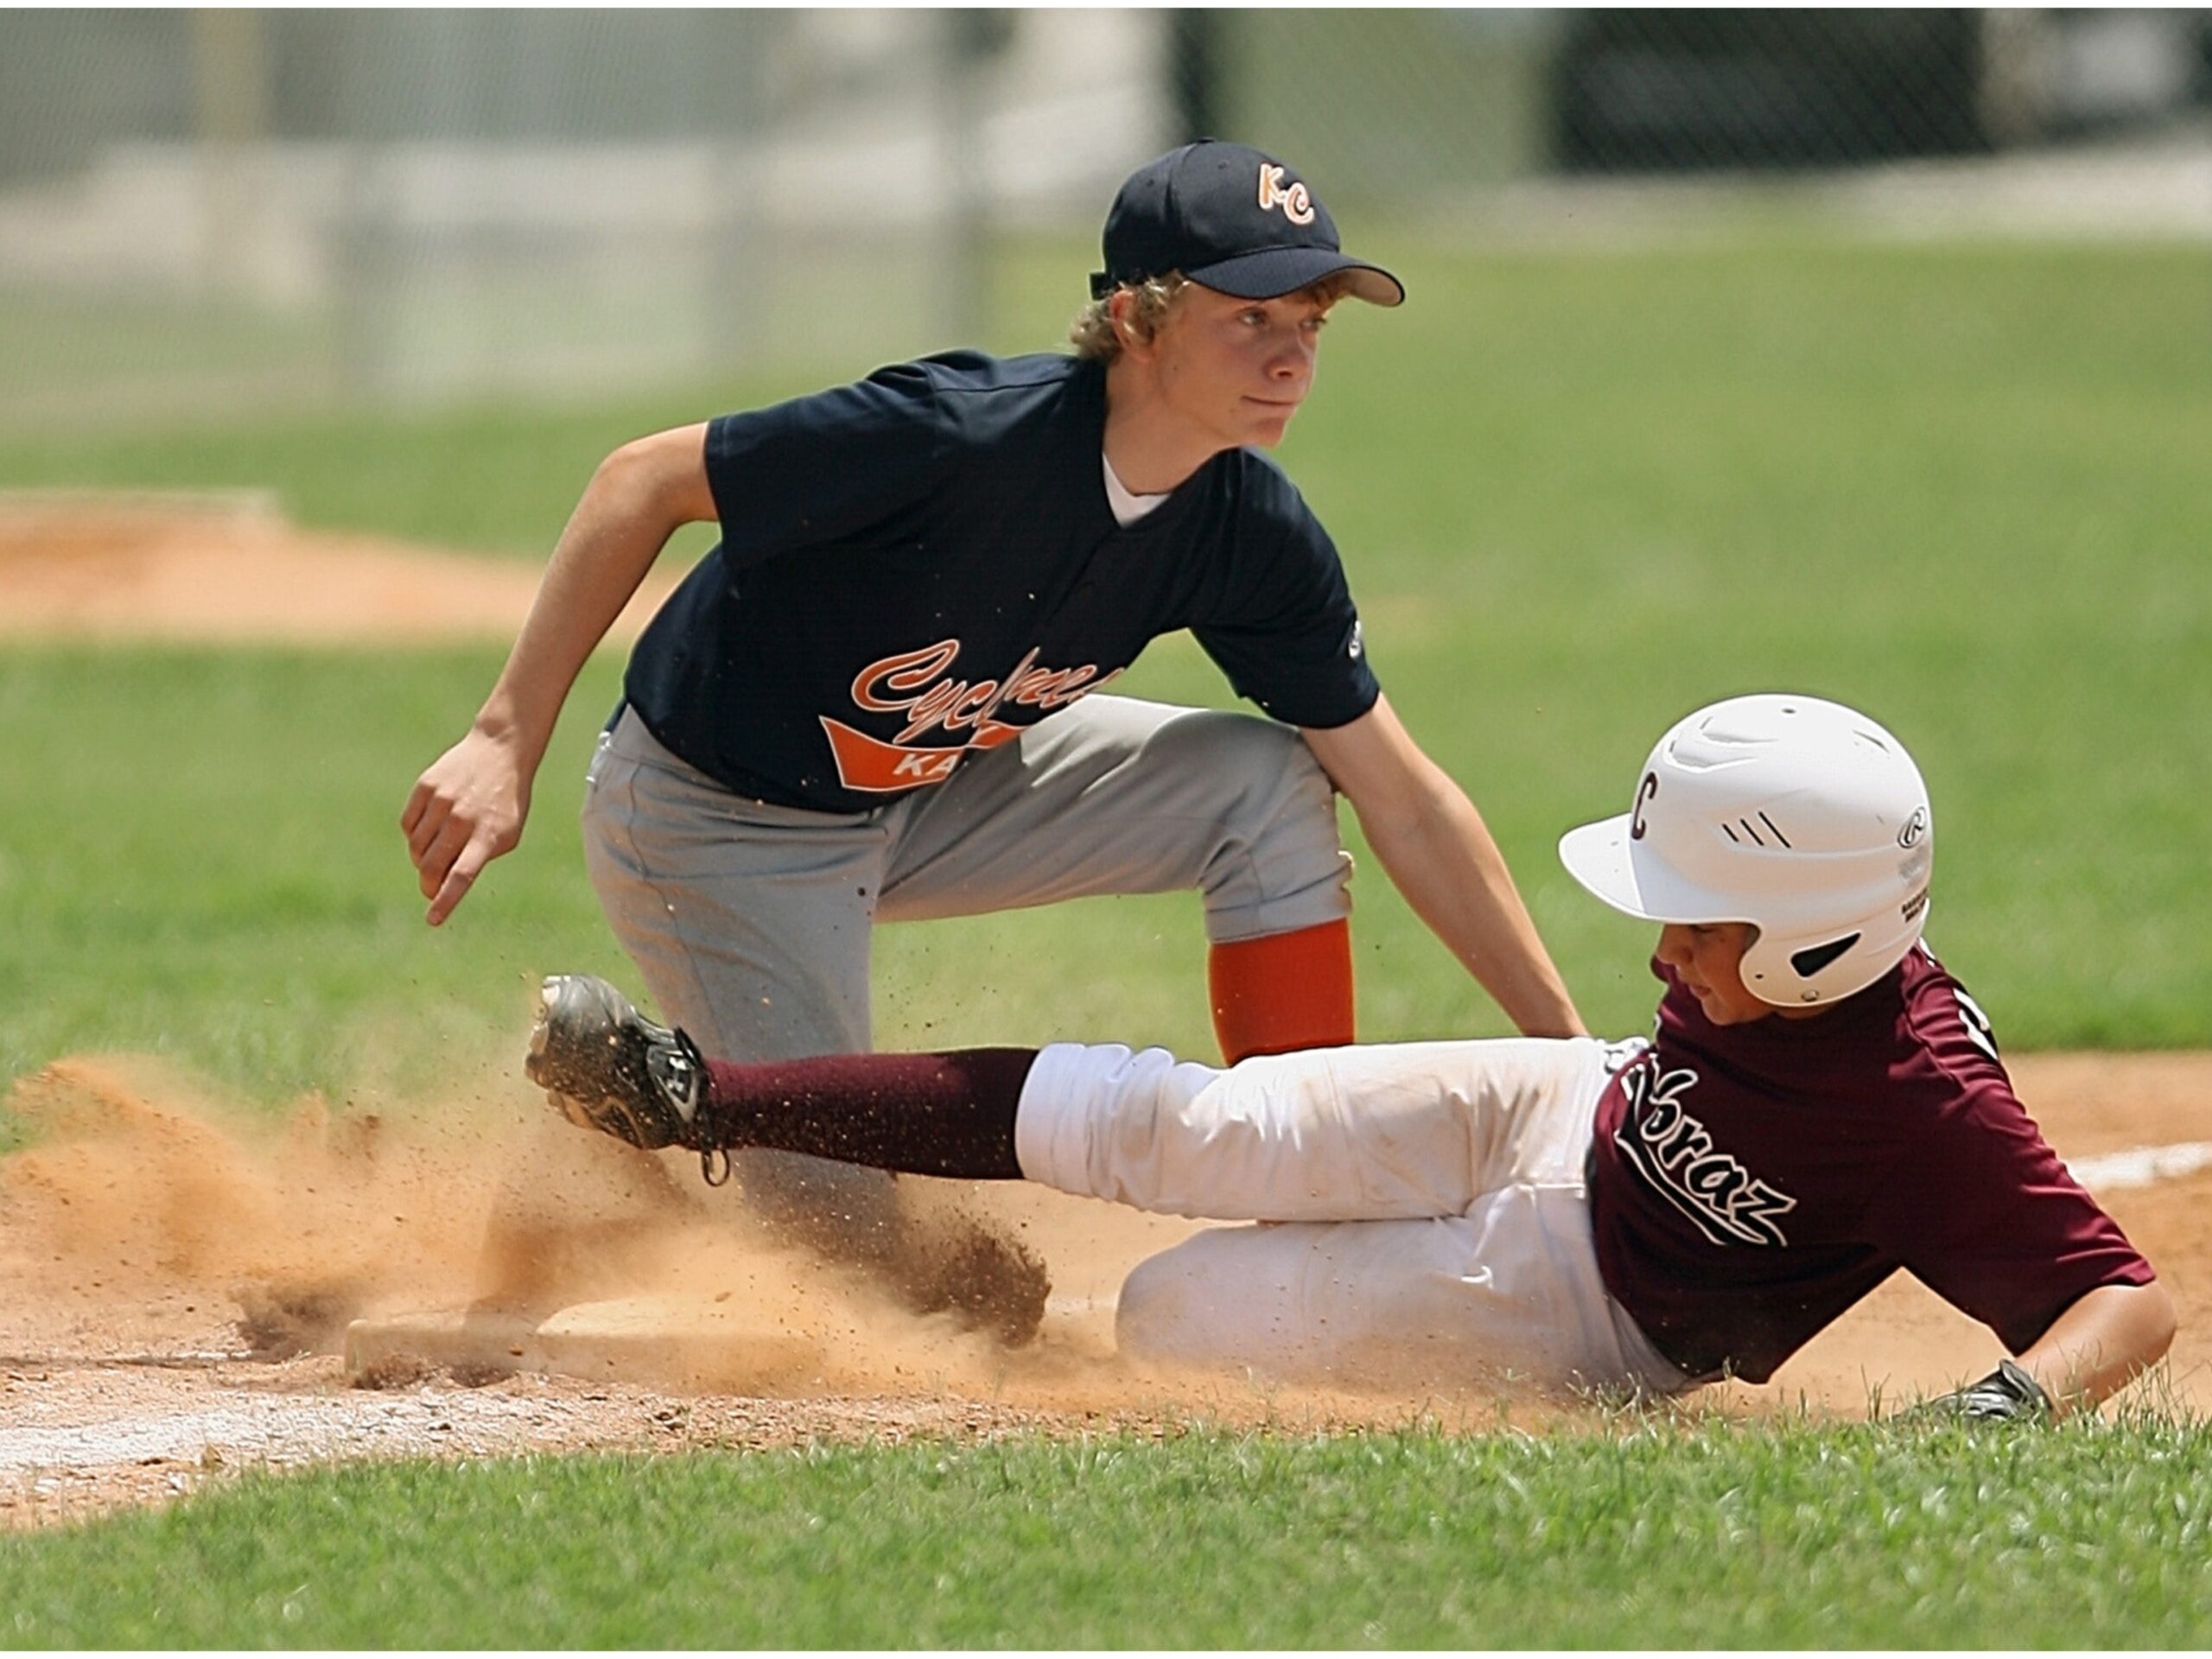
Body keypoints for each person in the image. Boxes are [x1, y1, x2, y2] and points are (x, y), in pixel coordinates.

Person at [402, 141, 1584, 1264]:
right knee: (852, 1260)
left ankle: (1310, 1181)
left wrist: (1575, 1064)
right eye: (1250, 318)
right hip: (720, 824)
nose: (1291, 358)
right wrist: (506, 737)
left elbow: (1406, 798)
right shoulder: (961, 436)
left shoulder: (1248, 533)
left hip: (929, 785)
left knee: (1266, 781)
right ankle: (616, 1143)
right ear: (1135, 319)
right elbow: (642, 479)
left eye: (1310, 325)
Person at [524, 694, 2175, 1416]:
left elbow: (2128, 1299)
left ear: (1822, 938)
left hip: (1602, 1314)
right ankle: (693, 1096)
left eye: (1702, 924)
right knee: (1185, 1124)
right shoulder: (1771, 970)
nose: (1665, 946)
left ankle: (1015, 1297)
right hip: (1567, 1104)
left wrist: (2011, 1410)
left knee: (1177, 1314)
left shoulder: (1928, 1109)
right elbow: (1668, 1008)